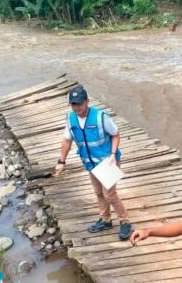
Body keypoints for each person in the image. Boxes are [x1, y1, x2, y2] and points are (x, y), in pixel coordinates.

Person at [55, 86, 133, 240]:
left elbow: (116, 134)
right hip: (91, 163)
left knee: (109, 195)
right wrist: (61, 161)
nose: (77, 107)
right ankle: (105, 220)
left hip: (108, 162)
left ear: (87, 102)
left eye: (80, 103)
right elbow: (66, 141)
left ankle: (125, 221)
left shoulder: (100, 117)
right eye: (73, 104)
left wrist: (112, 155)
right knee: (99, 193)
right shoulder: (70, 119)